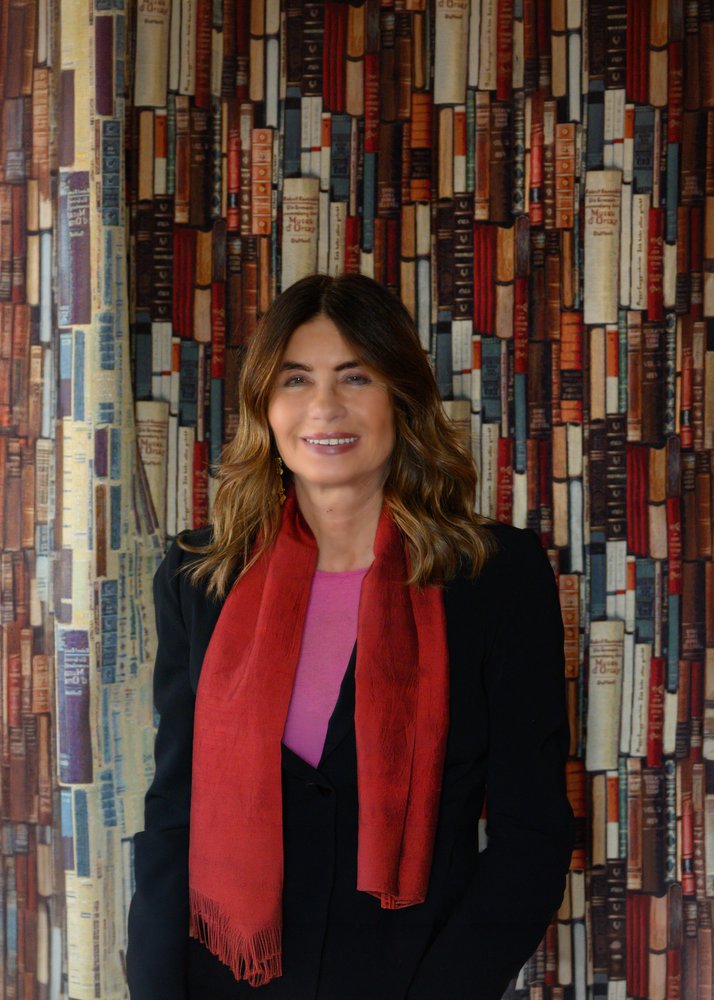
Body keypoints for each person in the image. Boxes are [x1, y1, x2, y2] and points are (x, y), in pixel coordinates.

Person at [126, 272, 575, 1000]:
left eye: (355, 376)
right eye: (296, 379)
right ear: (265, 405)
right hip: (224, 981)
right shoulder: (199, 576)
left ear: (401, 396)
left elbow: (533, 834)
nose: (324, 406)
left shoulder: (494, 575)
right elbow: (174, 812)